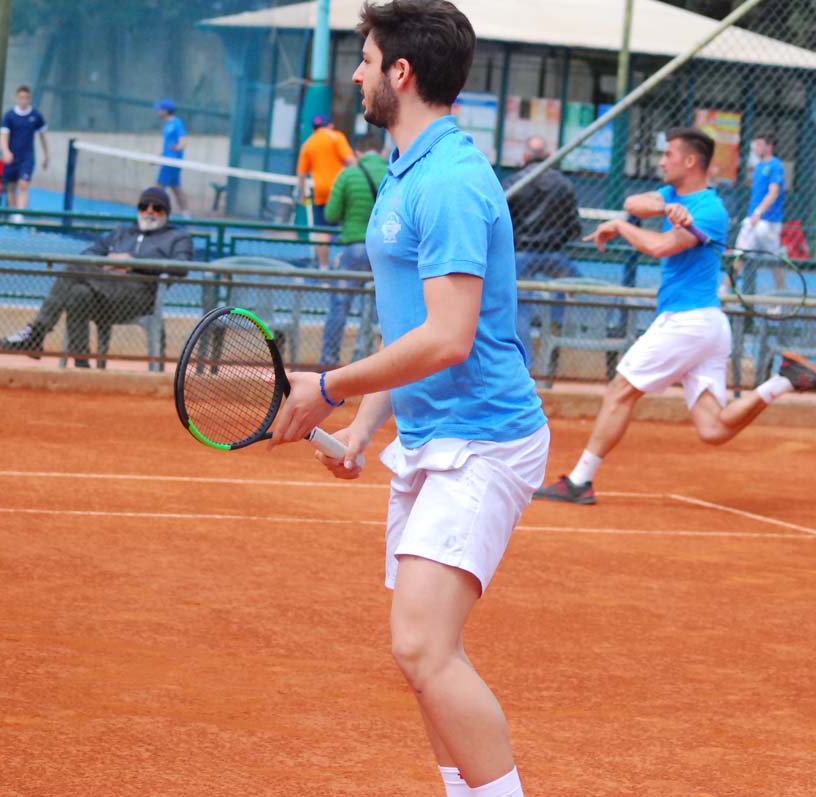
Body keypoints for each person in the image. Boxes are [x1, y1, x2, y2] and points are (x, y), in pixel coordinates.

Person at [270, 3, 548, 795]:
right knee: (422, 655)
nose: (356, 74)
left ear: (401, 72)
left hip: (484, 436)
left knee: (423, 645)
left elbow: (449, 337)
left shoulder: (450, 181)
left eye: (365, 60)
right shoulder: (404, 170)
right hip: (430, 435)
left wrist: (328, 387)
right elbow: (410, 327)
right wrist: (364, 423)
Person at [534, 127, 816, 505]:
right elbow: (633, 201)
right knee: (713, 429)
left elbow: (661, 246)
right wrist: (665, 208)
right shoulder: (671, 195)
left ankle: (579, 481)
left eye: (669, 155)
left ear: (690, 161)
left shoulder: (710, 211)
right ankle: (783, 381)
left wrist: (621, 227)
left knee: (620, 390)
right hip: (706, 326)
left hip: (687, 323)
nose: (662, 161)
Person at [0, 186, 191, 366]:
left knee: (74, 267)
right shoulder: (122, 232)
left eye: (157, 207)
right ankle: (81, 364)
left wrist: (133, 261)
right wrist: (107, 262)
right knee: (78, 293)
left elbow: (182, 267)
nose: (149, 211)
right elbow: (88, 254)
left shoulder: (177, 237)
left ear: (166, 212)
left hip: (140, 299)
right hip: (104, 296)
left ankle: (36, 333)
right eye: (144, 206)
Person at [500, 134, 583, 371]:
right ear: (548, 156)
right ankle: (553, 353)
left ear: (525, 156)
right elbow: (573, 227)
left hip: (520, 253)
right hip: (554, 254)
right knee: (572, 291)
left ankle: (525, 365)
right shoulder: (563, 184)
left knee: (519, 306)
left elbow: (502, 224)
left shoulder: (513, 182)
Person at [318, 132, 388, 366]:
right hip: (384, 250)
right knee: (378, 307)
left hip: (354, 247)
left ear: (357, 152)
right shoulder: (393, 174)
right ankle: (367, 359)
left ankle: (329, 358)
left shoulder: (348, 174)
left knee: (340, 304)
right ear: (381, 152)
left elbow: (330, 214)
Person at [296, 114, 356, 268]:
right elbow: (351, 160)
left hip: (321, 191)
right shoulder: (336, 137)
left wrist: (302, 194)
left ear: (314, 129)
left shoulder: (308, 143)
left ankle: (323, 268)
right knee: (351, 227)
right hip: (341, 189)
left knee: (322, 231)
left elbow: (301, 174)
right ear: (330, 126)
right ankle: (347, 264)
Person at [736, 131, 786, 289]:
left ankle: (781, 291)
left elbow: (773, 193)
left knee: (773, 259)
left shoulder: (775, 165)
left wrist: (758, 212)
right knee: (741, 254)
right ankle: (725, 289)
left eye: (759, 145)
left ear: (769, 147)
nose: (756, 148)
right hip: (752, 220)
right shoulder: (758, 167)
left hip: (768, 222)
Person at [0, 85, 49, 223]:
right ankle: (13, 212)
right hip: (12, 157)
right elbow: (3, 135)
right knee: (11, 187)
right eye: (21, 97)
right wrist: (6, 151)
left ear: (30, 98)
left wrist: (47, 155)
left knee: (23, 184)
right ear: (17, 98)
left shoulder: (36, 115)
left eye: (26, 98)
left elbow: (43, 136)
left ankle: (20, 215)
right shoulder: (9, 116)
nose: (24, 100)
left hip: (27, 157)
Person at [153, 98, 189, 216]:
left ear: (165, 111)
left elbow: (183, 141)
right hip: (167, 161)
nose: (157, 111)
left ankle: (153, 213)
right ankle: (186, 215)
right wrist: (159, 156)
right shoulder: (167, 125)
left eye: (159, 109)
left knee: (158, 189)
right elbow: (168, 145)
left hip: (172, 162)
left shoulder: (177, 123)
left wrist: (177, 147)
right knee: (176, 188)